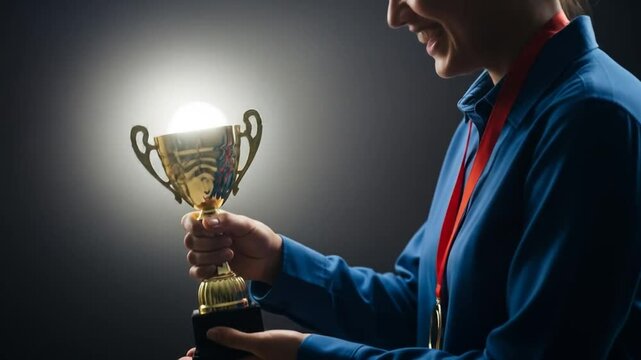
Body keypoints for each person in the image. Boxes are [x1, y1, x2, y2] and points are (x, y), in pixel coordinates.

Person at [179, 0, 641, 358]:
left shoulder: (592, 118)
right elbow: (422, 313)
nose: (395, 15)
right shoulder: (485, 119)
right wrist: (278, 264)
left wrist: (308, 357)